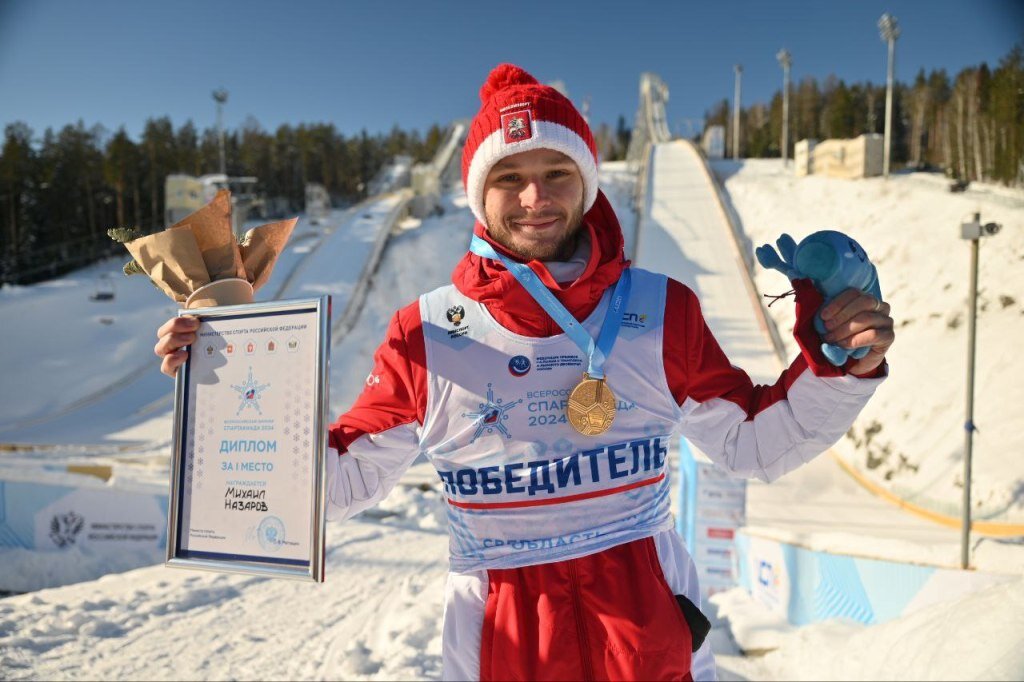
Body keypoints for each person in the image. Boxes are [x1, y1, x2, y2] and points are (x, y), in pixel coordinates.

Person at [155, 63, 894, 681]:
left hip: (645, 637)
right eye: (509, 177)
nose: (535, 198)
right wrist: (221, 391)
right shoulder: (426, 334)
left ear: (588, 181)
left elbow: (756, 444)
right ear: (479, 195)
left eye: (555, 172)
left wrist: (842, 366)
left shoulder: (659, 310)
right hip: (505, 643)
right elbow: (339, 483)